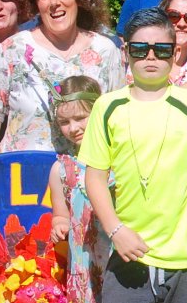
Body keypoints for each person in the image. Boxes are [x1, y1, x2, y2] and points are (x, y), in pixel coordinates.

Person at [79, 9, 187, 302]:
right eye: (140, 49)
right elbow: (95, 177)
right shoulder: (107, 107)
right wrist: (116, 231)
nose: (150, 57)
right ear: (126, 51)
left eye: (161, 49)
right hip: (131, 251)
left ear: (174, 51)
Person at [0, 0, 124, 165]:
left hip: (86, 174)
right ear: (35, 5)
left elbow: (116, 115)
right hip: (22, 175)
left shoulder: (105, 50)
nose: (54, 3)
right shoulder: (11, 50)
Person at [46, 75, 109, 302]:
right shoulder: (61, 170)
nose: (73, 128)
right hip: (84, 264)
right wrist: (60, 225)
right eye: (64, 122)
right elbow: (60, 214)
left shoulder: (120, 161)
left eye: (81, 118)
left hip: (117, 259)